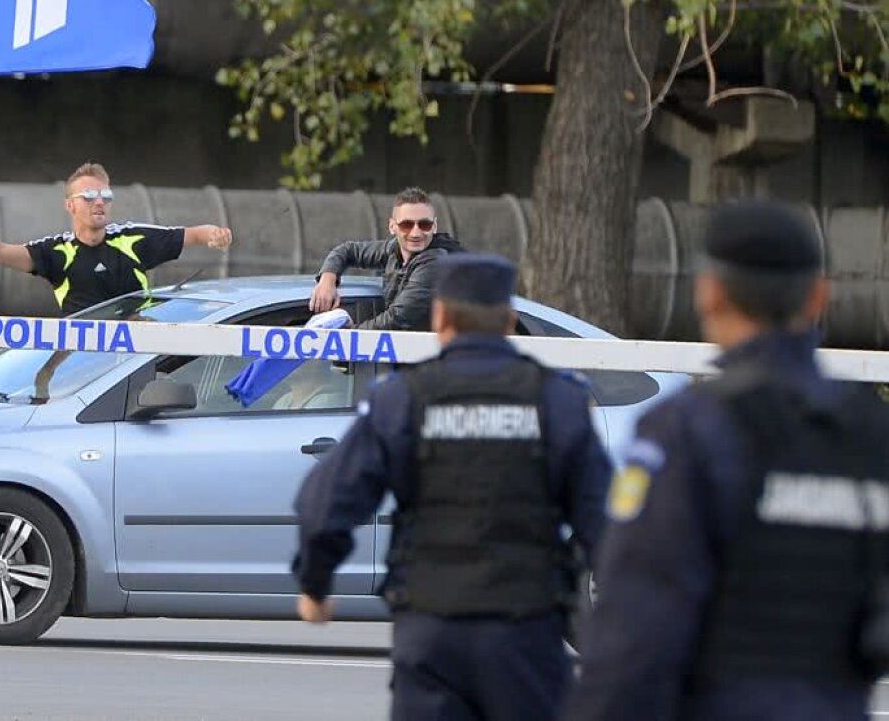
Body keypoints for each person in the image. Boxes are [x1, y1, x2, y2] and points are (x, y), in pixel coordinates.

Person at [564, 200, 889, 721]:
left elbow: (636, 626)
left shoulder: (689, 431)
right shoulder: (872, 433)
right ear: (819, 296)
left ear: (709, 293)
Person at [293, 253, 612, 721]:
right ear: (509, 321)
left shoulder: (402, 398)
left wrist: (316, 586)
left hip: (431, 630)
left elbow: (327, 502)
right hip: (525, 631)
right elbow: (605, 524)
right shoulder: (558, 401)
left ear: (439, 316)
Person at [0, 162, 233, 315]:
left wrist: (215, 235)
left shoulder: (131, 238)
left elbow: (194, 233)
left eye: (106, 196)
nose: (99, 203)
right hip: (83, 362)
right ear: (70, 205)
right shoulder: (55, 251)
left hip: (137, 354)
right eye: (89, 197)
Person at [309, 186, 463, 331]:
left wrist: (349, 334)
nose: (416, 233)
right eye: (406, 225)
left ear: (434, 226)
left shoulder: (436, 260)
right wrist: (327, 281)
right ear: (392, 227)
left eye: (425, 225)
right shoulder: (394, 249)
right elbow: (348, 250)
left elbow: (398, 319)